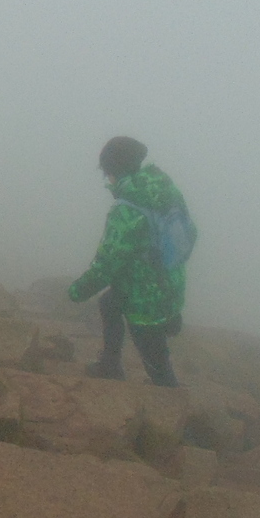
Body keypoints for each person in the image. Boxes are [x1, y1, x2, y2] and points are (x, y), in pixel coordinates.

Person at [67, 136, 189, 387]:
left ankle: (174, 413)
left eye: (106, 172)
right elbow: (189, 234)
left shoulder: (126, 210)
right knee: (110, 302)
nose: (106, 178)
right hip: (170, 285)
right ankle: (110, 365)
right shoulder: (165, 190)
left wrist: (77, 291)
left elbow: (107, 264)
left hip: (145, 299)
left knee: (159, 369)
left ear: (115, 171)